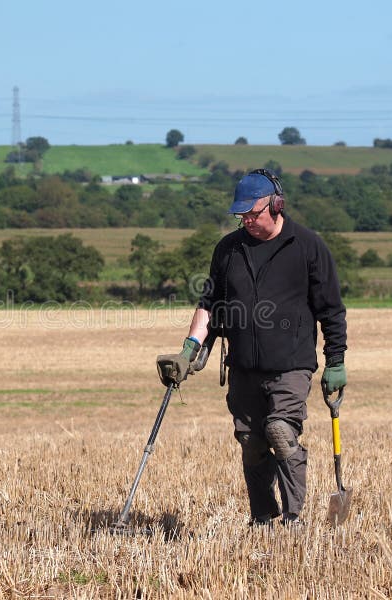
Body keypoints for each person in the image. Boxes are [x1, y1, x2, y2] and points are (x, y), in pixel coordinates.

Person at [156, 169, 347, 527]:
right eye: (241, 215)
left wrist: (335, 361)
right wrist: (188, 350)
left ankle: (293, 518)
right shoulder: (229, 249)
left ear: (277, 206)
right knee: (251, 439)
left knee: (280, 430)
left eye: (253, 214)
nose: (246, 221)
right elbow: (209, 303)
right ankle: (262, 517)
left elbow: (331, 309)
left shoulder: (307, 246)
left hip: (290, 364)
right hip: (243, 365)